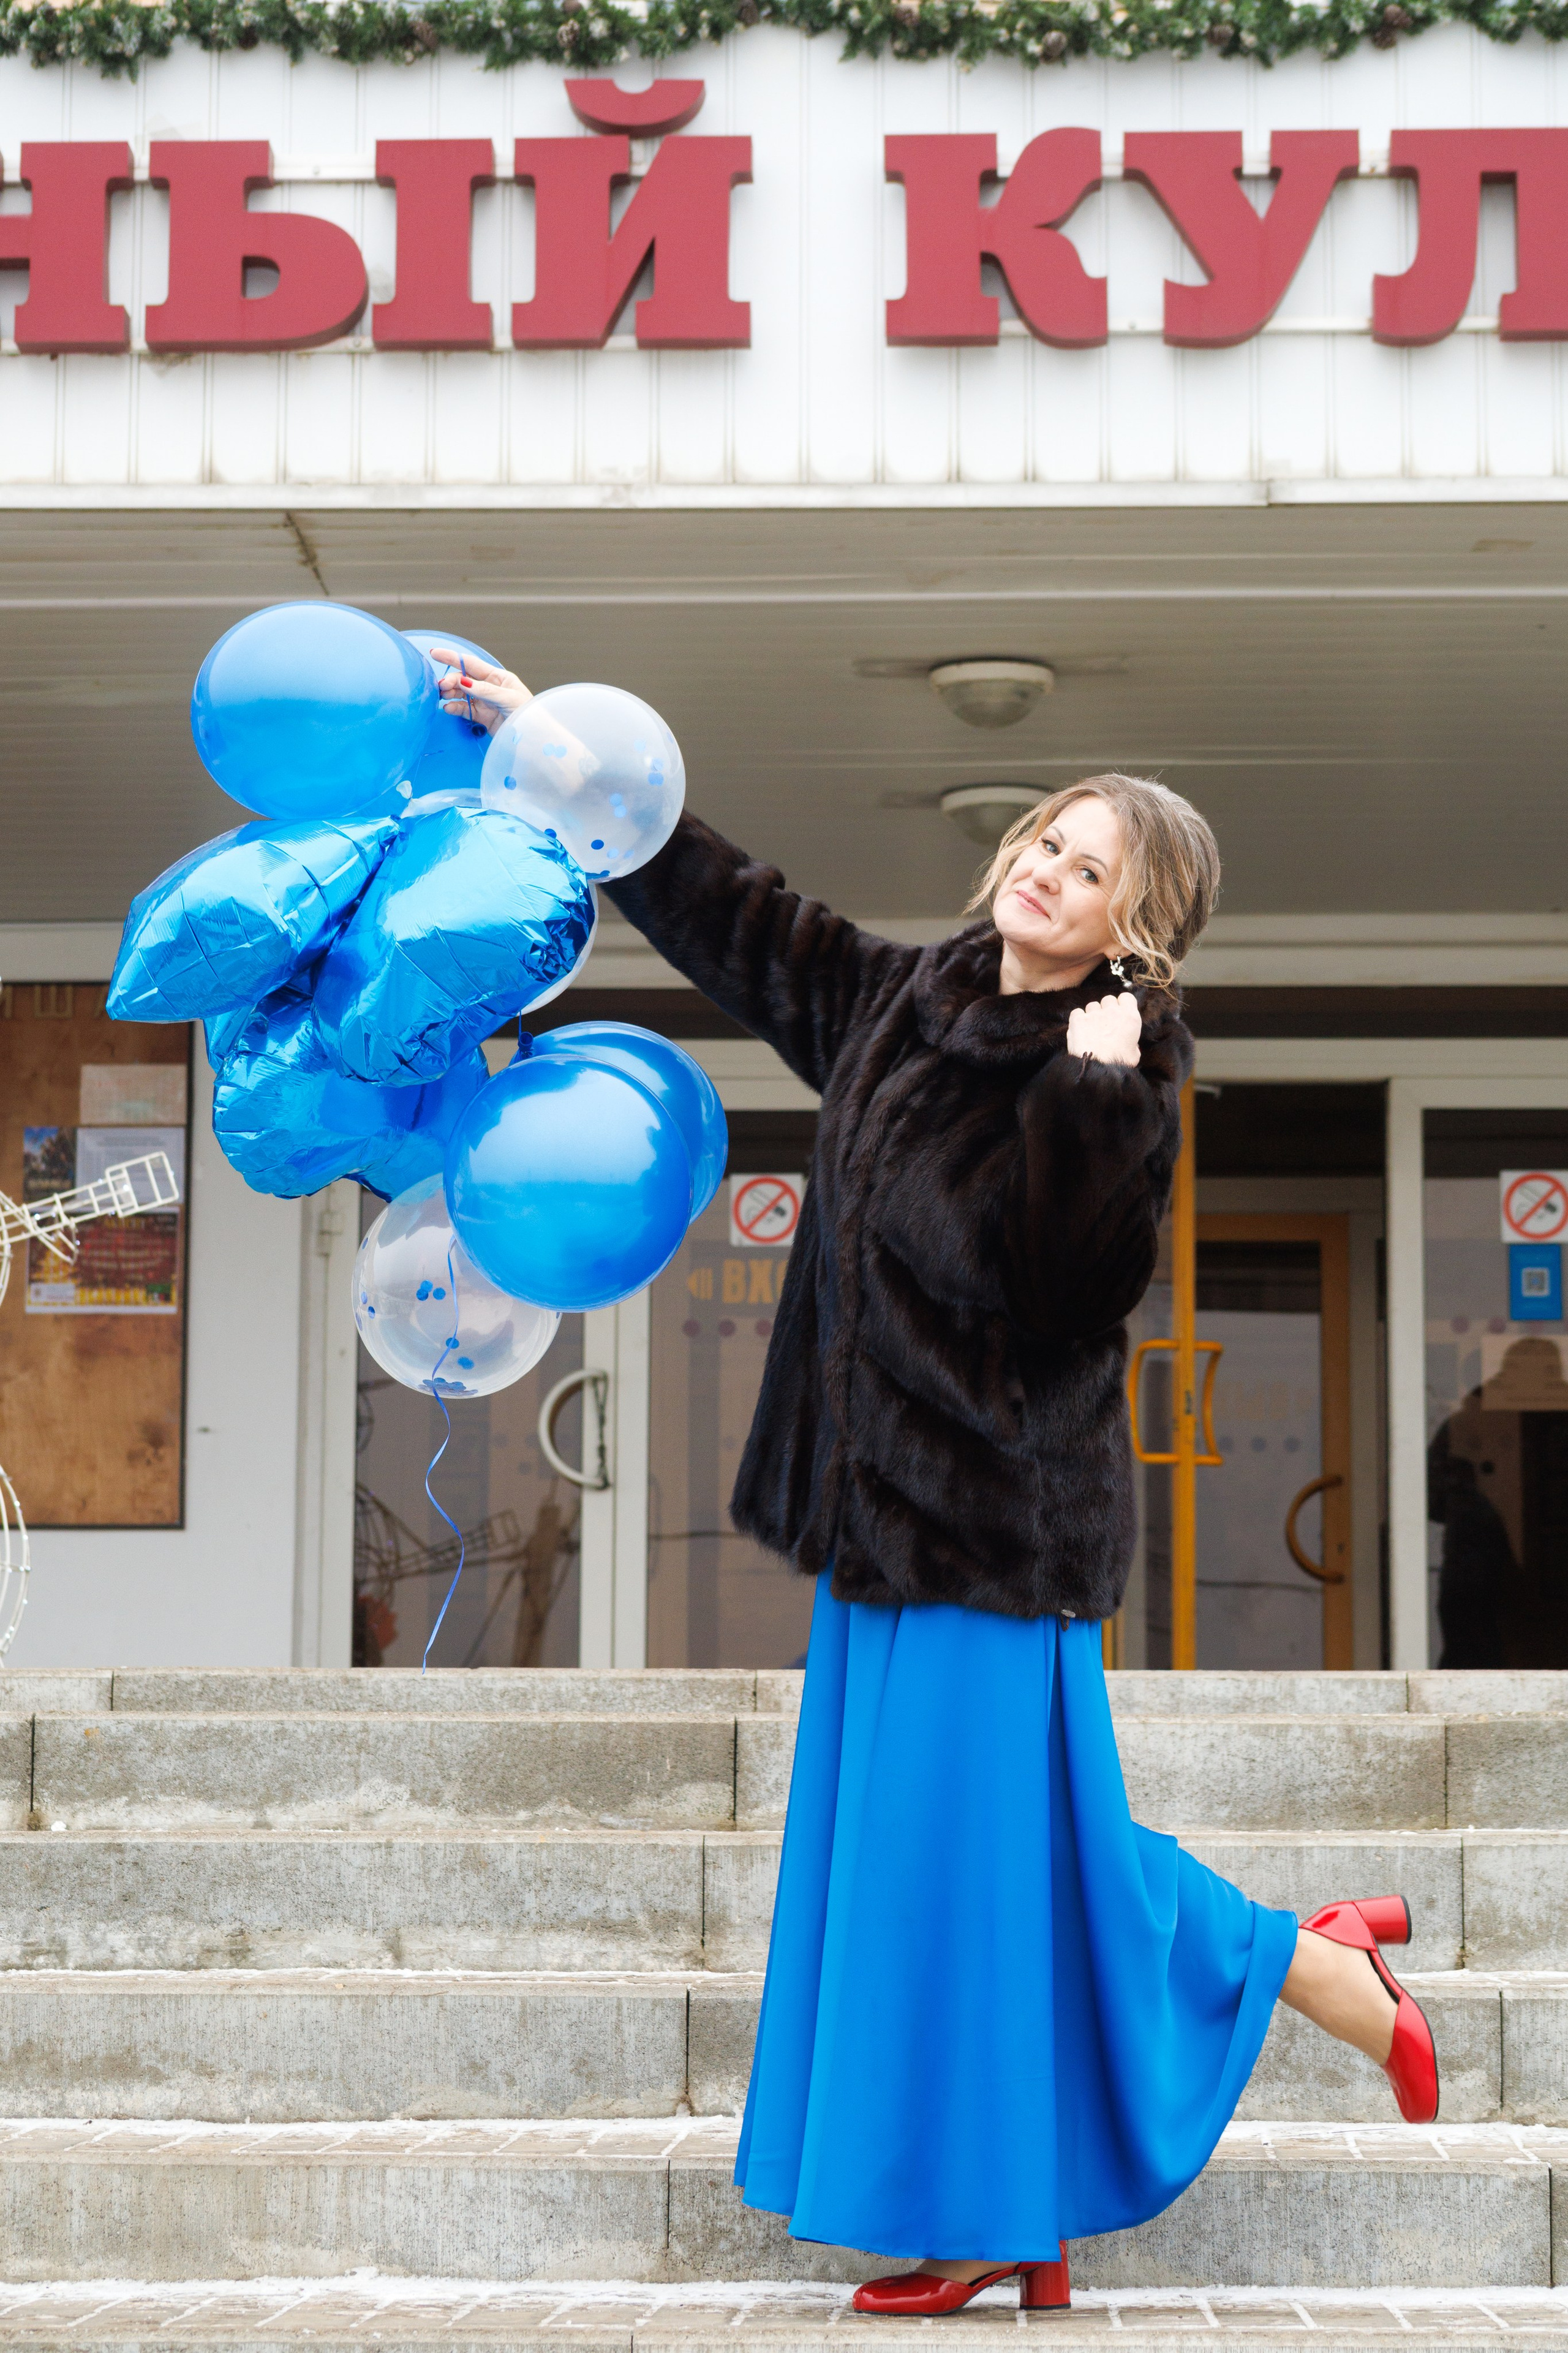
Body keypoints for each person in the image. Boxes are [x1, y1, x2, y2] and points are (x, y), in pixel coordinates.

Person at [437, 651, 1439, 2313]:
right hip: (872, 1535)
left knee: (993, 1872)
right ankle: (1264, 2001)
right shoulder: (906, 999)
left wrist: (1099, 1094)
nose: (1044, 867)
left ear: (1135, 925)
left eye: (1087, 865)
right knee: (986, 1865)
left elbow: (1060, 1294)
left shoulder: (1123, 1065)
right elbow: (736, 913)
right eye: (1046, 837)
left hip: (994, 1538)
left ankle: (1240, 2024)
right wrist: (549, 746)